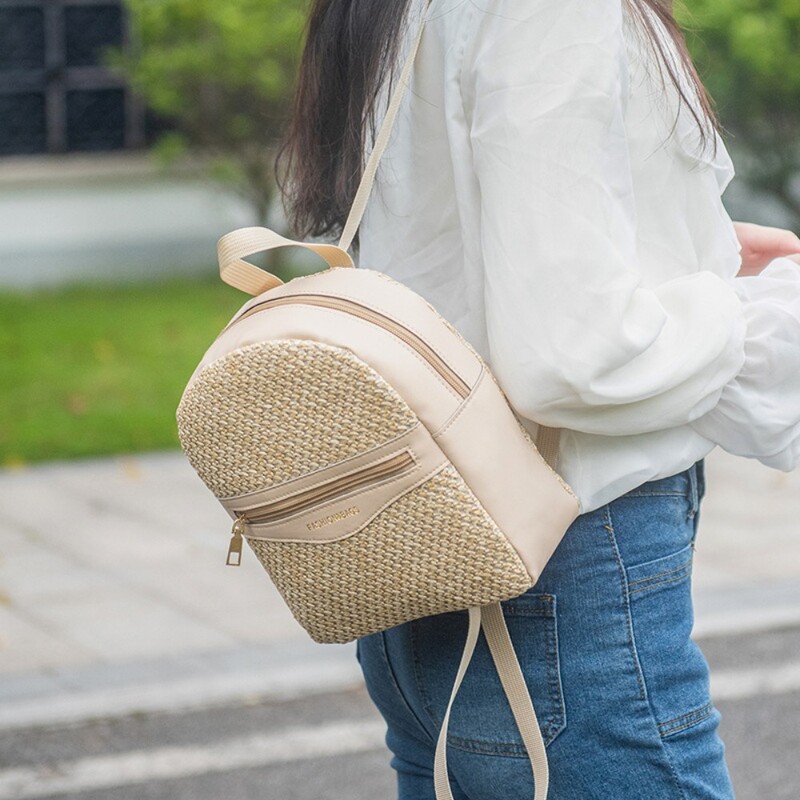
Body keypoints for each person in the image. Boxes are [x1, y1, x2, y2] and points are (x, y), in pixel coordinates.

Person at [275, 1, 800, 797]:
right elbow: (572, 359)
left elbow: (443, 226)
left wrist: (679, 247)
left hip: (419, 564)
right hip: (562, 573)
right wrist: (763, 315)